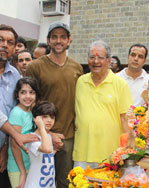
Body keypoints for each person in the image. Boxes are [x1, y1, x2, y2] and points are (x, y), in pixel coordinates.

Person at [25, 21, 83, 188]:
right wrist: (49, 134)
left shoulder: (77, 68)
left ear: (69, 40)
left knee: (65, 182)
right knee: (42, 181)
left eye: (63, 37)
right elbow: (29, 103)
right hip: (42, 136)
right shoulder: (35, 67)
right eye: (54, 37)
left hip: (68, 136)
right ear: (48, 40)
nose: (59, 41)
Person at [73, 40, 133, 169]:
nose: (96, 61)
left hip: (110, 155)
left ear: (108, 60)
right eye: (91, 57)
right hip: (82, 152)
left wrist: (127, 150)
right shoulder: (80, 82)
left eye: (100, 57)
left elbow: (126, 119)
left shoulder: (120, 84)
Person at [7, 77, 39, 188]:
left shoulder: (31, 111)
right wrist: (22, 172)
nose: (28, 96)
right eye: (23, 92)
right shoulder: (17, 113)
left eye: (32, 92)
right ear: (17, 95)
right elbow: (15, 144)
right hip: (18, 168)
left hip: (29, 164)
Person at [0, 24, 21, 187]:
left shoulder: (15, 76)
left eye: (10, 42)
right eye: (0, 40)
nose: (4, 45)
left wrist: (5, 148)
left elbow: (14, 113)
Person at [25, 101, 56, 188]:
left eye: (52, 117)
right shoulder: (32, 138)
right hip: (35, 184)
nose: (49, 120)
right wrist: (42, 128)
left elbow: (47, 155)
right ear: (36, 119)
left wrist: (56, 150)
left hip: (48, 183)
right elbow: (46, 149)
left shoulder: (47, 136)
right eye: (44, 117)